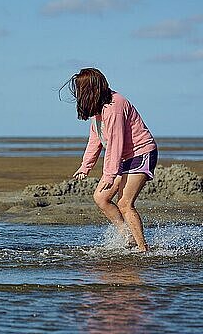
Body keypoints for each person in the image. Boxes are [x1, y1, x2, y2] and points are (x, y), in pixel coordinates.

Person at [64, 67, 157, 252]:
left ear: (91, 89)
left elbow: (115, 143)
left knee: (124, 204)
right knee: (101, 197)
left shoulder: (114, 106)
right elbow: (96, 137)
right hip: (123, 158)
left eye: (80, 89)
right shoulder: (99, 109)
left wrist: (109, 175)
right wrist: (86, 166)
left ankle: (142, 249)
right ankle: (127, 236)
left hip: (141, 153)